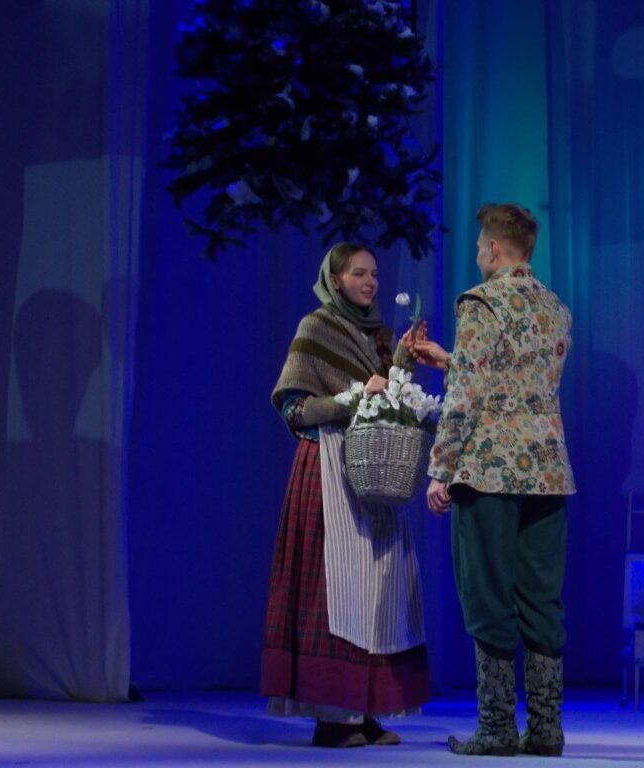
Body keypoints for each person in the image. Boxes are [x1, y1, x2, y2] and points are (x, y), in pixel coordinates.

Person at [410, 204, 576, 757]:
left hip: (488, 468)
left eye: (481, 244)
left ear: (495, 250)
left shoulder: (480, 302)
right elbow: (518, 379)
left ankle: (498, 727)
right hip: (547, 470)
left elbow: (468, 397)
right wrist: (451, 359)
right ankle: (547, 729)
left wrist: (440, 469)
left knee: (486, 594)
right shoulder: (556, 308)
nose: (478, 252)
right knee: (542, 598)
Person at [262, 242, 430, 748]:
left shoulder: (377, 335)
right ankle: (333, 715)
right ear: (334, 280)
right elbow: (293, 408)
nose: (370, 282)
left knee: (377, 587)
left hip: (372, 470)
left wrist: (402, 361)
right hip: (328, 467)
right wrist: (350, 399)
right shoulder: (316, 328)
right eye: (359, 273)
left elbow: (390, 399)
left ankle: (367, 707)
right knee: (336, 590)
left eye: (374, 274)